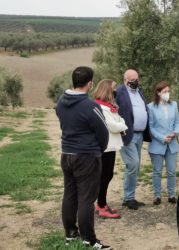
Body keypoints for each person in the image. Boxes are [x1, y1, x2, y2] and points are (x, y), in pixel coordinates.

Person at [56, 66, 112, 249]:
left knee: (70, 195)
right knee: (87, 199)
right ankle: (89, 240)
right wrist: (100, 150)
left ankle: (70, 235)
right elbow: (103, 132)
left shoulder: (61, 102)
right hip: (86, 156)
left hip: (67, 154)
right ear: (90, 83)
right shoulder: (90, 106)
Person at [116, 69, 151, 210]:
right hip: (127, 135)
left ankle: (129, 197)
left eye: (137, 79)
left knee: (134, 167)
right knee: (133, 164)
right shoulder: (119, 92)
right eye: (132, 80)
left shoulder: (139, 93)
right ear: (125, 80)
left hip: (139, 135)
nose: (135, 82)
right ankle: (129, 198)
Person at [93, 79, 128, 219]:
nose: (116, 91)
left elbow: (120, 120)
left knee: (107, 175)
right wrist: (122, 125)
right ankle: (101, 206)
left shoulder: (110, 106)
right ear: (107, 89)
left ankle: (102, 203)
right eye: (114, 88)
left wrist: (121, 124)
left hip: (111, 146)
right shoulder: (101, 107)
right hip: (105, 146)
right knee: (104, 176)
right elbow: (113, 126)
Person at [147, 81, 179, 205]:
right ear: (158, 92)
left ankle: (172, 195)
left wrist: (175, 133)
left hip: (172, 144)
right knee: (157, 171)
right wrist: (162, 138)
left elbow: (177, 122)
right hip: (157, 145)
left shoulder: (174, 105)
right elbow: (150, 127)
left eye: (168, 91)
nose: (167, 94)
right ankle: (157, 195)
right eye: (165, 92)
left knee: (171, 171)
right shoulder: (150, 107)